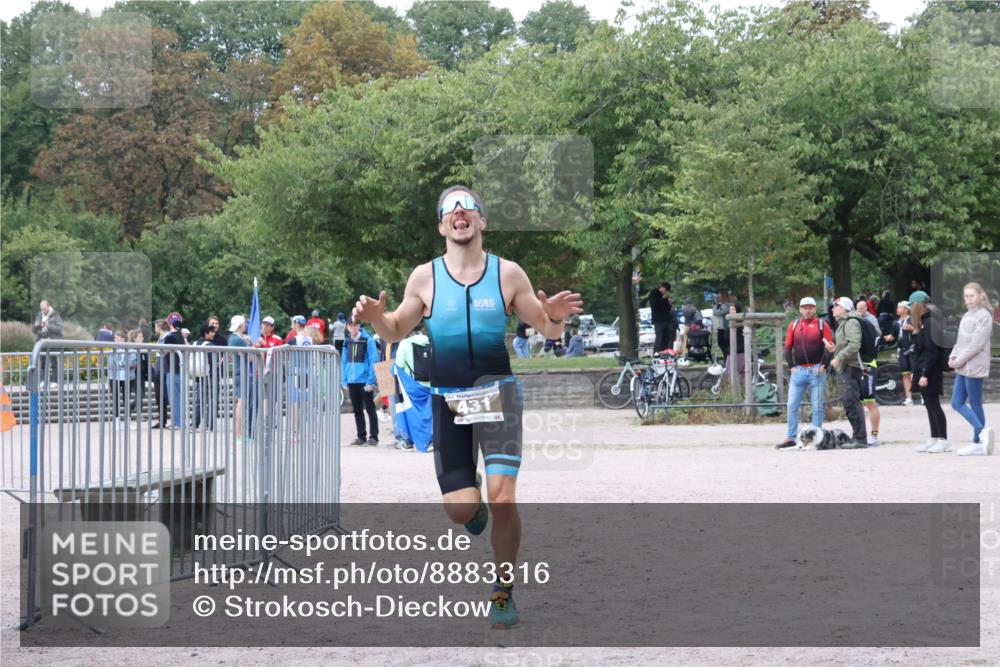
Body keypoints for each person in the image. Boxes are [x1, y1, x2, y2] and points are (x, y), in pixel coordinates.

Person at [352, 184, 583, 629]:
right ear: (442, 225)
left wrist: (554, 315)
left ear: (481, 221)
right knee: (461, 508)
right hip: (449, 403)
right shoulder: (424, 277)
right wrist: (374, 318)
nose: (460, 212)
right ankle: (470, 502)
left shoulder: (508, 274)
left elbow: (549, 331)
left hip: (499, 397)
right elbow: (397, 328)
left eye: (468, 206)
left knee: (505, 499)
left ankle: (503, 590)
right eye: (450, 209)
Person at [779, 297, 833, 449]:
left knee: (817, 406)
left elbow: (830, 347)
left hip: (816, 370)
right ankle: (790, 437)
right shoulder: (794, 325)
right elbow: (788, 347)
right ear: (800, 309)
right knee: (792, 406)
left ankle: (816, 438)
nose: (807, 310)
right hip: (799, 371)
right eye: (804, 307)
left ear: (815, 309)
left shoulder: (822, 325)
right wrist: (791, 366)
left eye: (810, 307)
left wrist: (824, 365)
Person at [948, 282, 994, 456]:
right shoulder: (968, 314)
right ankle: (981, 434)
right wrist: (953, 356)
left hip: (974, 365)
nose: (968, 299)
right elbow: (961, 341)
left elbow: (976, 345)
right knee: (956, 402)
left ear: (981, 296)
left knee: (975, 403)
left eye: (971, 295)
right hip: (963, 364)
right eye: (966, 296)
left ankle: (978, 440)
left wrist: (958, 360)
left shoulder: (984, 316)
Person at [825, 297, 868, 448]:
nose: (832, 309)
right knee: (850, 402)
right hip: (847, 366)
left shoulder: (851, 322)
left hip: (852, 366)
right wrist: (834, 349)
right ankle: (857, 437)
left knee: (851, 402)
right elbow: (846, 345)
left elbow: (854, 344)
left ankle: (860, 439)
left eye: (835, 306)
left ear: (844, 308)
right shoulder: (843, 323)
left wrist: (838, 357)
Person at [911, 298, 949, 453]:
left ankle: (943, 439)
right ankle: (934, 437)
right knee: (928, 405)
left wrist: (924, 374)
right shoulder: (925, 323)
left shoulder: (930, 324)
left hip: (929, 371)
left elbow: (931, 352)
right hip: (923, 369)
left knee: (934, 405)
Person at [342, 317, 379, 446]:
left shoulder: (367, 340)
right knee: (357, 410)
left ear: (359, 325)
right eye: (350, 325)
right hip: (352, 381)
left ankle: (374, 437)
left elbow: (374, 360)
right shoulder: (347, 341)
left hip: (364, 381)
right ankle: (361, 436)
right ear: (347, 326)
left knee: (370, 409)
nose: (353, 327)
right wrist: (344, 379)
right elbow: (344, 361)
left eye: (355, 324)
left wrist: (370, 381)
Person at [855, 300, 882, 446]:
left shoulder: (870, 322)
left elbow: (875, 341)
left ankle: (874, 435)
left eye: (861, 308)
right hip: (855, 366)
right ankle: (860, 435)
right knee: (857, 403)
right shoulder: (853, 322)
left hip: (868, 364)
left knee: (870, 402)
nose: (859, 311)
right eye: (857, 308)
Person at [228, 314, 255, 443]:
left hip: (239, 372)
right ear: (240, 326)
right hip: (242, 372)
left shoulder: (233, 338)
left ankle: (239, 435)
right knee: (241, 403)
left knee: (241, 403)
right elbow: (251, 357)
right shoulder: (238, 340)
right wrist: (250, 345)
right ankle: (239, 435)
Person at [883, 300, 915, 406]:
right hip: (901, 349)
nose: (897, 309)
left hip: (912, 348)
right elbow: (893, 336)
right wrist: (887, 337)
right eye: (897, 307)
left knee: (914, 373)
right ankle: (909, 398)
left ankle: (923, 396)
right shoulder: (895, 322)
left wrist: (912, 328)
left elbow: (920, 331)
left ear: (906, 310)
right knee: (905, 374)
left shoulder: (912, 320)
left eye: (900, 307)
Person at [161, 312, 186, 429]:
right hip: (180, 370)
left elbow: (162, 351)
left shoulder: (170, 337)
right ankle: (178, 421)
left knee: (174, 398)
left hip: (172, 370)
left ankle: (178, 422)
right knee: (178, 398)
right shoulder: (181, 336)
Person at [107, 330, 137, 425]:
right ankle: (116, 421)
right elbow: (111, 364)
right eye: (115, 338)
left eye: (117, 338)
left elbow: (132, 362)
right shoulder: (112, 350)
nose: (115, 340)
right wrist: (122, 364)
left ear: (123, 339)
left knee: (126, 399)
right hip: (114, 377)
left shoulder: (131, 349)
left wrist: (120, 363)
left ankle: (128, 421)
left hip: (128, 377)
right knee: (115, 399)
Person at [192, 324, 219, 431]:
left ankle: (194, 423)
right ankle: (209, 424)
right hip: (210, 376)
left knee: (199, 400)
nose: (213, 334)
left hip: (198, 375)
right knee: (212, 400)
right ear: (206, 333)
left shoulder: (194, 343)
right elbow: (213, 361)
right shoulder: (210, 345)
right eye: (211, 332)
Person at [32, 300, 64, 388]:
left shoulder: (56, 315)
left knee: (53, 362)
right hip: (41, 341)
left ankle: (55, 381)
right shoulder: (39, 315)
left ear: (48, 306)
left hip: (52, 341)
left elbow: (59, 328)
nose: (43, 311)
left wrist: (47, 325)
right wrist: (36, 325)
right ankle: (43, 381)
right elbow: (34, 331)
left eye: (45, 310)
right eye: (42, 310)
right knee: (43, 362)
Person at [642, 281, 675, 352]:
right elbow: (655, 306)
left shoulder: (665, 296)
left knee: (668, 337)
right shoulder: (654, 293)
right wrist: (663, 298)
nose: (666, 292)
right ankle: (657, 353)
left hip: (666, 319)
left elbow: (667, 308)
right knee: (659, 337)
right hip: (658, 320)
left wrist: (670, 304)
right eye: (666, 291)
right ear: (663, 288)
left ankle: (666, 352)